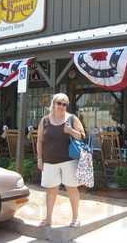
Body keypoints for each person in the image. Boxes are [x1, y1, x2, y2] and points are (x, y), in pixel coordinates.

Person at [36, 93, 85, 227]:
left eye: (65, 104)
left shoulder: (72, 119)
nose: (62, 106)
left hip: (69, 160)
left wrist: (70, 131)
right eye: (59, 103)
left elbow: (82, 136)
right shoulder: (44, 120)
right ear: (53, 103)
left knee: (72, 189)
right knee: (51, 190)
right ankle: (48, 219)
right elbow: (39, 141)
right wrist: (39, 158)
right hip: (49, 161)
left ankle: (75, 218)